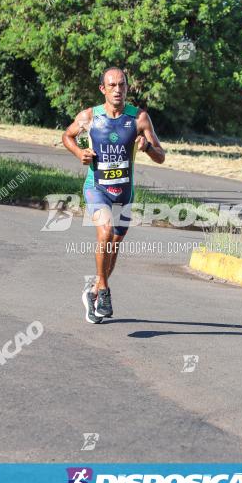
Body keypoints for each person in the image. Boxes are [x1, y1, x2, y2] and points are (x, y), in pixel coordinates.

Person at [62, 67, 165, 324]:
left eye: (122, 85)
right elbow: (67, 135)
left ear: (127, 87)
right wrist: (79, 153)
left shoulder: (139, 118)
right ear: (103, 89)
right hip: (97, 188)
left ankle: (93, 292)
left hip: (125, 192)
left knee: (112, 249)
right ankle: (105, 291)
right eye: (112, 85)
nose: (118, 90)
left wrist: (148, 146)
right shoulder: (89, 116)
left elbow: (161, 156)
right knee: (105, 232)